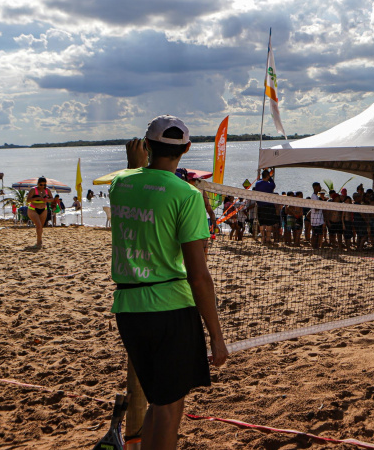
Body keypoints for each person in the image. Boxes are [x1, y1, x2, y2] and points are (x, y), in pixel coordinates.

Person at [111, 115, 227, 449]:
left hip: (129, 309)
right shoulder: (187, 194)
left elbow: (134, 176)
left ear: (146, 146)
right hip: (170, 308)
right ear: (187, 149)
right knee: (169, 408)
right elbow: (199, 274)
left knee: (158, 401)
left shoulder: (121, 182)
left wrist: (136, 165)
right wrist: (216, 335)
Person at [26, 177, 55, 248]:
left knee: (40, 227)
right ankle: (39, 243)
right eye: (41, 184)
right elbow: (28, 200)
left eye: (44, 185)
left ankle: (39, 240)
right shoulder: (33, 190)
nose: (42, 186)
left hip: (43, 209)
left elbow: (52, 199)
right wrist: (38, 198)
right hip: (33, 209)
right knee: (38, 225)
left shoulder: (47, 190)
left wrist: (47, 200)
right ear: (38, 184)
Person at [252, 170, 278, 246]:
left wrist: (266, 175)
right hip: (268, 205)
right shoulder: (270, 185)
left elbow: (261, 180)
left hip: (260, 206)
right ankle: (268, 239)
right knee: (269, 224)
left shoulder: (257, 184)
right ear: (267, 177)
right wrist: (270, 177)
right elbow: (273, 185)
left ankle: (263, 239)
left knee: (262, 223)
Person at [309, 182, 325, 249]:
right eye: (319, 186)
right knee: (316, 234)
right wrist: (322, 205)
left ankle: (316, 246)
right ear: (315, 187)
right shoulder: (314, 196)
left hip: (318, 219)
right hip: (316, 219)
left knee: (318, 233)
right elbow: (316, 208)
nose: (320, 187)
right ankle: (315, 246)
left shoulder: (316, 196)